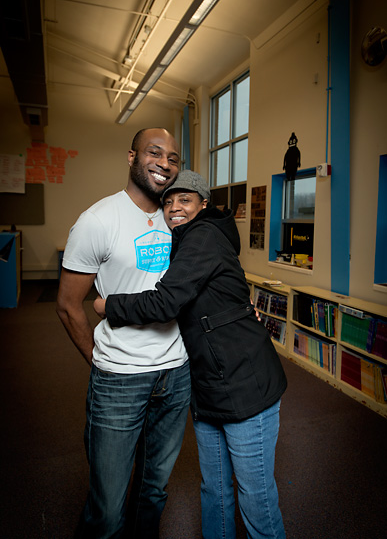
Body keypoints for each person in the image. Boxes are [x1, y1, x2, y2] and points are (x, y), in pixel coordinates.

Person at [94, 170, 288, 539]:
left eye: (184, 200)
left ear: (203, 204)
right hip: (209, 385)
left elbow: (166, 301)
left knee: (256, 498)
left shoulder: (201, 236)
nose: (173, 208)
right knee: (214, 491)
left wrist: (108, 306)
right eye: (168, 201)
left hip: (247, 385)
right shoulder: (186, 241)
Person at [56, 128, 191, 539]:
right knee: (108, 509)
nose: (164, 163)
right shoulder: (98, 220)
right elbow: (67, 304)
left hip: (176, 375)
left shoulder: (181, 221)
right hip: (118, 380)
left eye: (173, 158)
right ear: (131, 157)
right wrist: (99, 360)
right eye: (155, 152)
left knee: (153, 492)